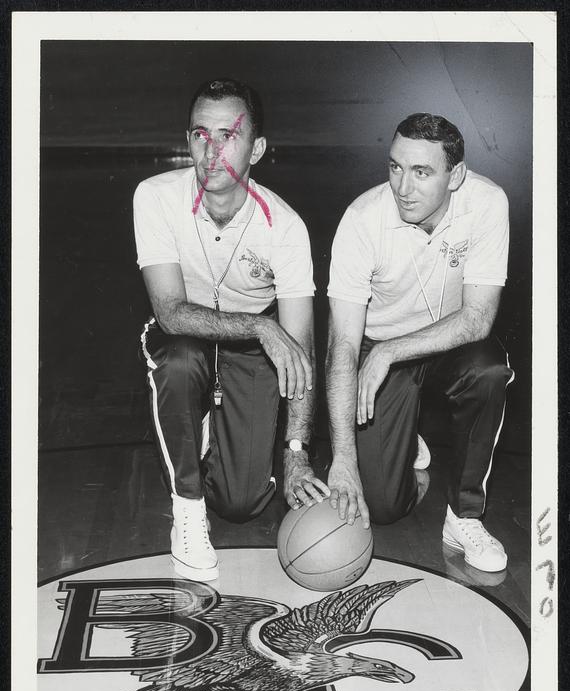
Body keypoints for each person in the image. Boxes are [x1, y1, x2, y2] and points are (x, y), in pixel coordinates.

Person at [134, 78, 328, 582]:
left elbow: (300, 349)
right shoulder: (155, 197)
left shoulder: (284, 227)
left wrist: (297, 454)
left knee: (242, 504)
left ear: (257, 149)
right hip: (188, 335)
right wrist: (259, 327)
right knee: (178, 360)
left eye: (228, 135)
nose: (211, 150)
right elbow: (172, 311)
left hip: (250, 351)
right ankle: (187, 509)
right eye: (201, 135)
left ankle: (208, 428)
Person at [326, 113, 514, 573]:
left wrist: (392, 351)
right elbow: (343, 346)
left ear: (457, 175)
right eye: (395, 167)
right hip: (377, 350)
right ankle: (406, 442)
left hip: (449, 344)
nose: (402, 188)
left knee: (489, 369)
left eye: (422, 172)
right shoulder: (362, 220)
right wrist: (343, 458)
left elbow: (477, 319)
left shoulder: (487, 204)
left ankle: (464, 516)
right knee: (383, 509)